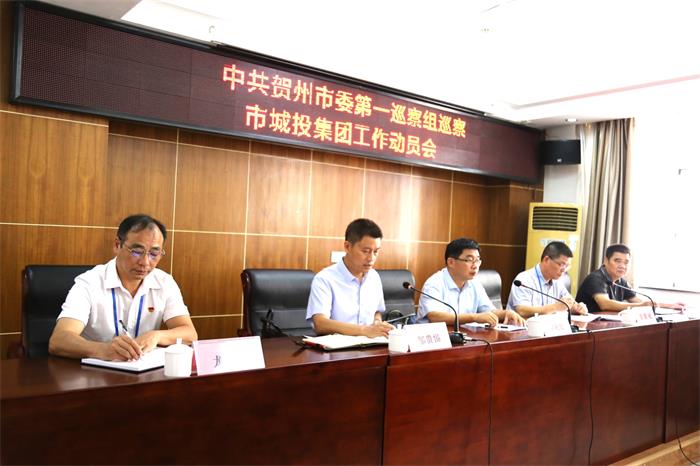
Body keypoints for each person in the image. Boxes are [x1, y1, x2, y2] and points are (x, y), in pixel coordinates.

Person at [49, 214, 197, 361]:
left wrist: (156, 336)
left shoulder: (164, 282)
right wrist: (103, 350)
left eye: (154, 253)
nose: (145, 262)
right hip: (94, 371)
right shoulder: (89, 282)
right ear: (117, 245)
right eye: (137, 252)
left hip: (142, 369)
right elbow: (59, 340)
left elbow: (190, 334)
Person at [306, 218, 394, 337]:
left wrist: (377, 324)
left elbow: (376, 312)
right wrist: (364, 330)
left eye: (376, 252)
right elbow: (320, 324)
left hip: (370, 344)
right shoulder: (324, 279)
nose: (371, 258)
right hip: (338, 347)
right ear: (347, 247)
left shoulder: (374, 277)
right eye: (366, 251)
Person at [417, 238, 525, 327]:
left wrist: (506, 313)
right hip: (435, 340)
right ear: (451, 262)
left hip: (464, 338)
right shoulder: (434, 283)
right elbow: (435, 317)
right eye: (469, 260)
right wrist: (474, 317)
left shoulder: (475, 283)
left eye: (477, 260)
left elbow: (489, 311)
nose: (475, 266)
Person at [576, 244, 684, 312]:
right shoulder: (595, 278)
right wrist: (641, 306)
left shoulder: (621, 281)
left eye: (626, 262)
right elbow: (605, 304)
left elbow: (640, 301)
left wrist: (670, 305)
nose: (622, 266)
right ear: (606, 261)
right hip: (587, 327)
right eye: (617, 261)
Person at [507, 241, 587, 318]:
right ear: (546, 260)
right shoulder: (524, 279)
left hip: (549, 326)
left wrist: (577, 308)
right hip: (523, 326)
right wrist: (555, 307)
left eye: (567, 266)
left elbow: (568, 304)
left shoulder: (558, 281)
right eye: (561, 264)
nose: (564, 270)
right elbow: (522, 311)